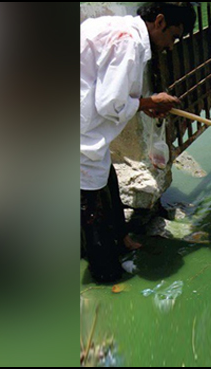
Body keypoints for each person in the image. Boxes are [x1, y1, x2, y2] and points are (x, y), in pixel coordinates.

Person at [80, 2, 196, 283]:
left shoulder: (120, 27)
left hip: (86, 127)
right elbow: (110, 103)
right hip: (80, 132)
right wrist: (148, 101)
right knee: (89, 204)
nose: (170, 46)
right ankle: (106, 276)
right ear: (159, 21)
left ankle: (120, 239)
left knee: (107, 181)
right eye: (174, 36)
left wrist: (142, 105)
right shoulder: (129, 42)